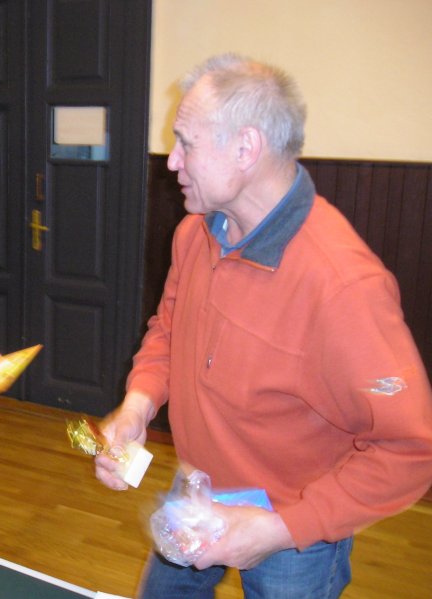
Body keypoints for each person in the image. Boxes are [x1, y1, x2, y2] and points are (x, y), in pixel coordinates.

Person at [94, 53, 432, 598]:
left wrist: (280, 530)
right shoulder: (195, 234)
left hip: (293, 529)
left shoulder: (343, 286)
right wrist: (138, 404)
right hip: (196, 491)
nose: (172, 162)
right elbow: (169, 330)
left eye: (186, 143)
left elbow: (412, 449)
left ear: (245, 148)